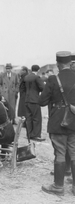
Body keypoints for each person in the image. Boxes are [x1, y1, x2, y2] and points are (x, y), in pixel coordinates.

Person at [40, 51, 75, 196]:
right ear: (70, 63)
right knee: (74, 153)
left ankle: (58, 186)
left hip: (58, 121)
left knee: (60, 152)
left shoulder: (53, 79)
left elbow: (42, 102)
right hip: (74, 120)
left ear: (57, 64)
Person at [24, 65, 45, 142]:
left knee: (28, 118)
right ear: (38, 70)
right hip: (34, 99)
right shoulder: (37, 77)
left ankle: (29, 134)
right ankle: (35, 135)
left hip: (27, 99)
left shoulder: (26, 77)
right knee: (36, 118)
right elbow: (43, 88)